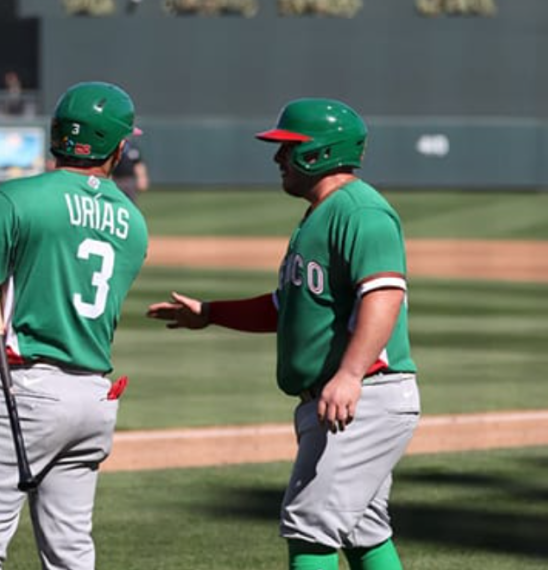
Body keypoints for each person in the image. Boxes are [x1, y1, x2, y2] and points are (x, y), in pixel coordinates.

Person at [146, 98, 420, 570]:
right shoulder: (320, 216)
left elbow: (384, 297)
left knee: (309, 526)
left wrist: (351, 374)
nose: (278, 159)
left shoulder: (361, 212)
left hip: (362, 395)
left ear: (320, 153)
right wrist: (210, 313)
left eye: (288, 148)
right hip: (349, 397)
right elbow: (284, 306)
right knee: (363, 530)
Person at [0, 81, 148, 570]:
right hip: (94, 399)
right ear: (117, 146)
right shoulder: (134, 224)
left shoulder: (18, 199)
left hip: (26, 388)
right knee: (70, 555)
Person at [112, 133, 148, 204]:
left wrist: (142, 178)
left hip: (129, 180)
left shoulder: (132, 148)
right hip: (115, 179)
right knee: (115, 202)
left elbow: (138, 164)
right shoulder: (113, 147)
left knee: (131, 203)